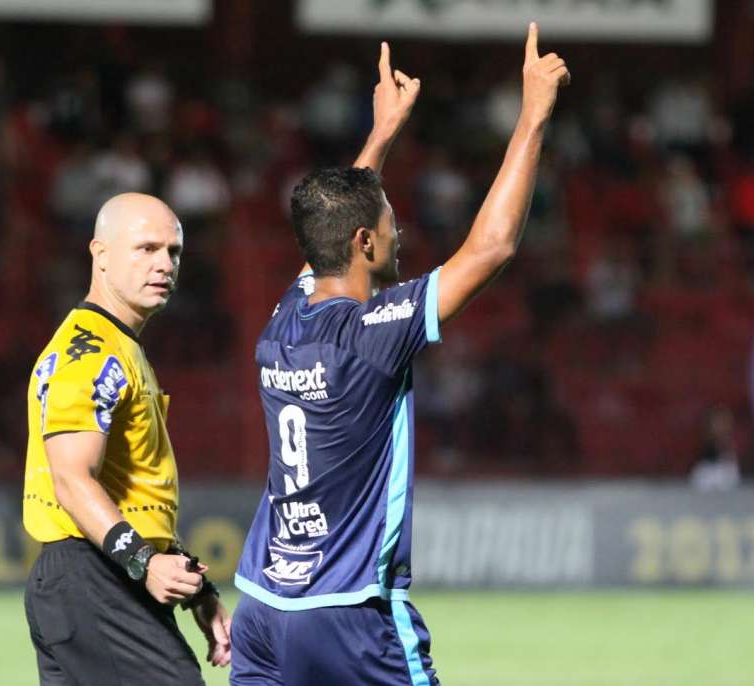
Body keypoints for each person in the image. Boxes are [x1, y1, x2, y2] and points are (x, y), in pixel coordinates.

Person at [231, 25, 569, 686]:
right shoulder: (371, 333)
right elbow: (490, 250)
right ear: (364, 242)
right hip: (348, 615)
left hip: (265, 611)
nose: (399, 229)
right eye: (389, 221)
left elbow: (328, 228)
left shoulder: (283, 320)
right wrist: (531, 117)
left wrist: (382, 134)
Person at [22, 192, 231, 685]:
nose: (164, 265)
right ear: (100, 255)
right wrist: (143, 563)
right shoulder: (89, 352)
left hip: (102, 575)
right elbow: (72, 480)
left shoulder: (120, 347)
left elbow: (131, 491)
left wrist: (191, 583)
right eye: (146, 249)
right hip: (92, 576)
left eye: (173, 252)